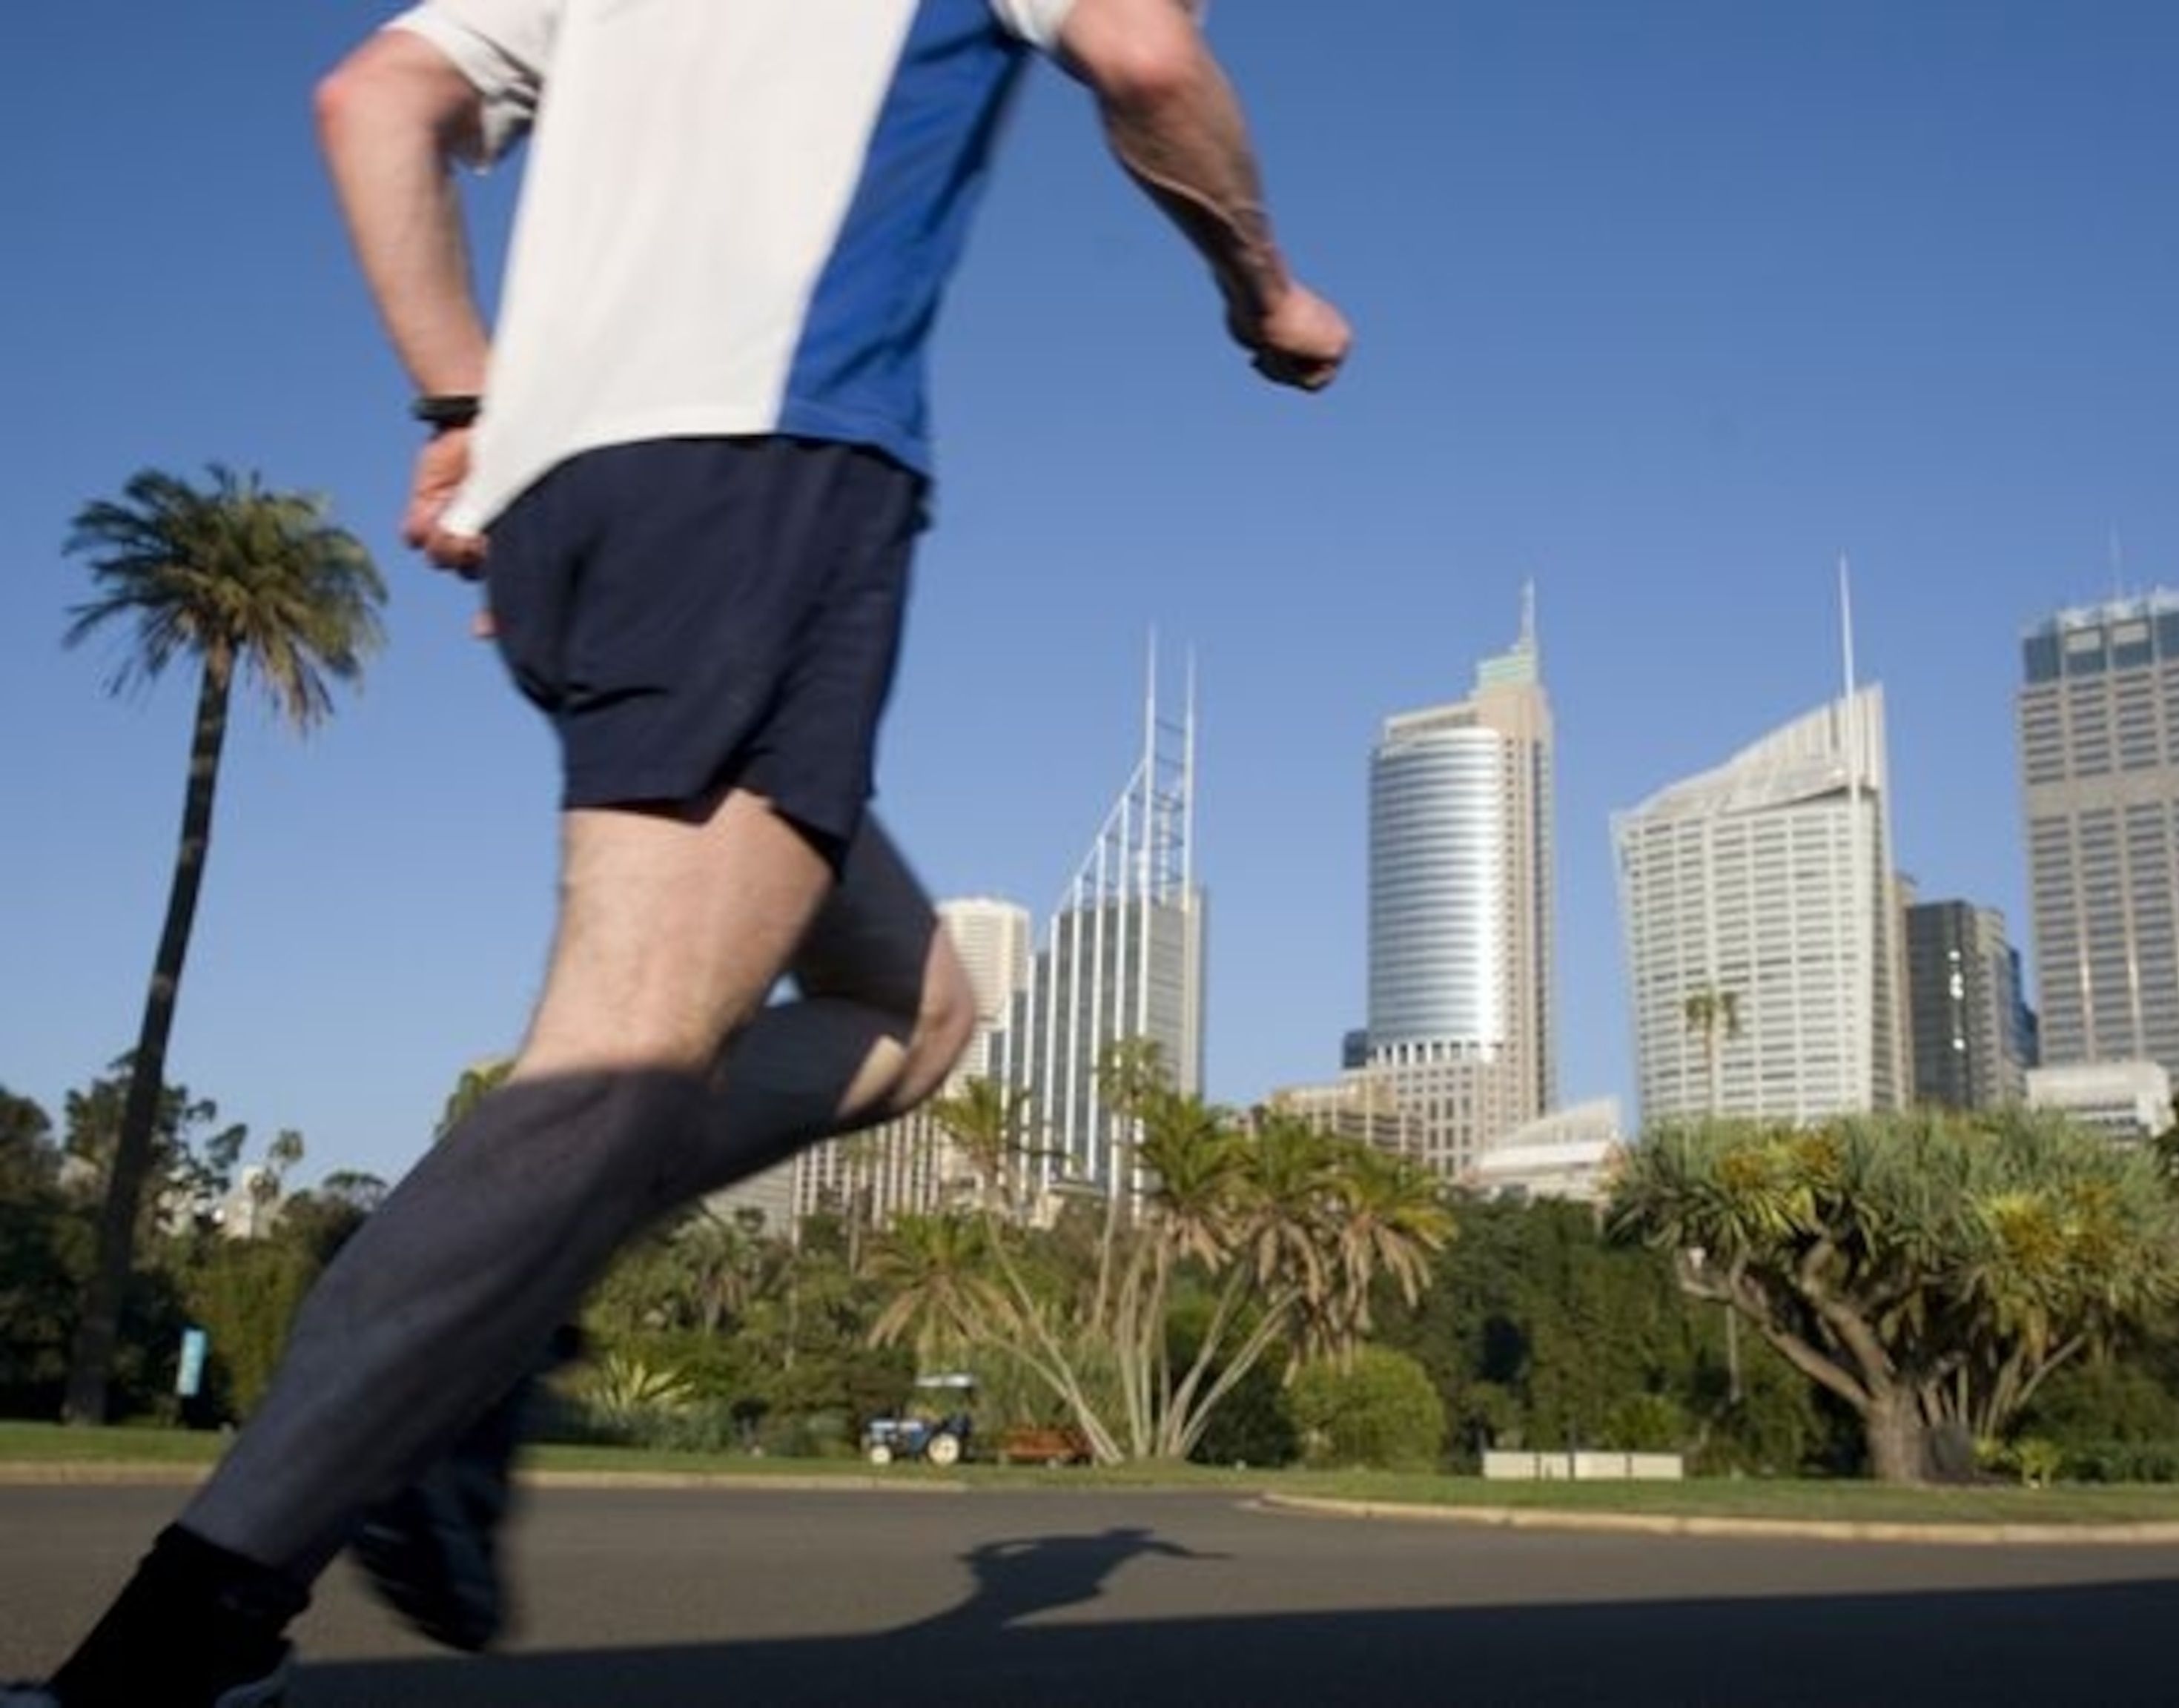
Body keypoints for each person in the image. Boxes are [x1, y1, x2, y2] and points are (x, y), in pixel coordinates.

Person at [5, 1, 1348, 1702]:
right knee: (627, 1061)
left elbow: (376, 98)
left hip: (576, 509)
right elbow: (1150, 63)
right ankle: (191, 1623)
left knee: (914, 1008)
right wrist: (1265, 293)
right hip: (764, 475)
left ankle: (480, 1286)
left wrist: (461, 397)